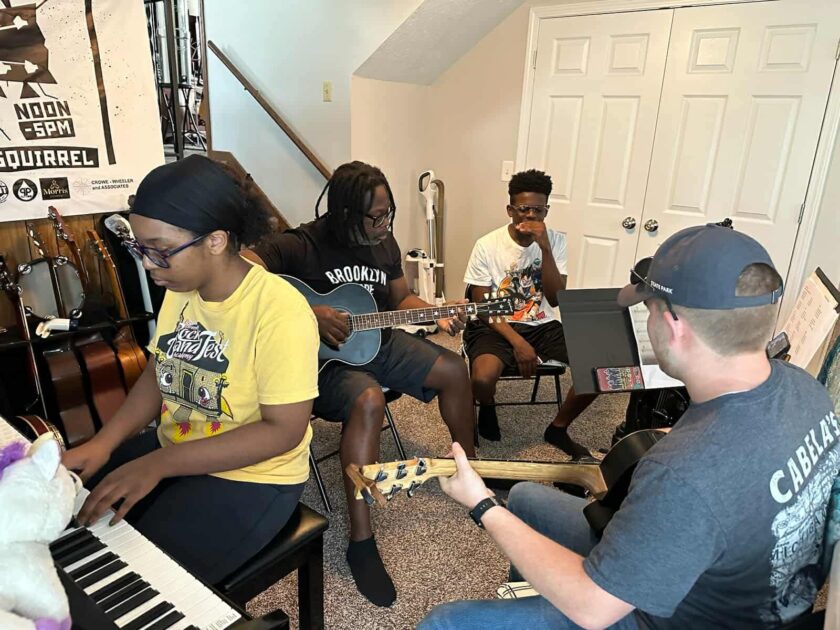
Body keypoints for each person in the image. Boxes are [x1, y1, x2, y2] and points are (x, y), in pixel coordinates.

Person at [420, 224, 840, 629]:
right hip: (747, 591)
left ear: (673, 326)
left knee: (444, 623)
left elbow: (593, 607)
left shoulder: (682, 473)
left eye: (648, 310)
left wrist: (482, 503)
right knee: (527, 499)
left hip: (660, 616)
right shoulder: (805, 388)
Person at [63, 155, 320, 584]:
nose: (148, 264)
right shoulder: (183, 287)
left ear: (215, 241)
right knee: (72, 518)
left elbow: (283, 432)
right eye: (140, 248)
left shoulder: (281, 311)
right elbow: (158, 371)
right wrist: (103, 443)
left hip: (254, 476)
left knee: (133, 580)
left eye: (159, 250)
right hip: (176, 447)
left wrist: (158, 464)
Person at [244, 160, 476, 607]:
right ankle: (361, 540)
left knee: (453, 370)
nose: (385, 225)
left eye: (388, 214)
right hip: (324, 363)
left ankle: (470, 471)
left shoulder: (383, 242)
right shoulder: (300, 244)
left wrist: (437, 311)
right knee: (369, 399)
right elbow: (240, 274)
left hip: (378, 339)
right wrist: (307, 314)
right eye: (375, 217)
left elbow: (400, 298)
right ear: (345, 213)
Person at [463, 169, 596, 458]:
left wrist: (545, 250)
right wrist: (519, 343)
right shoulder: (487, 245)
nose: (531, 216)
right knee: (483, 380)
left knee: (599, 367)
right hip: (494, 325)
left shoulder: (555, 241)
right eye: (524, 209)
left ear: (547, 210)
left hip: (541, 324)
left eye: (539, 210)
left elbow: (555, 299)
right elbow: (482, 307)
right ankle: (487, 404)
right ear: (510, 210)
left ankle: (558, 428)